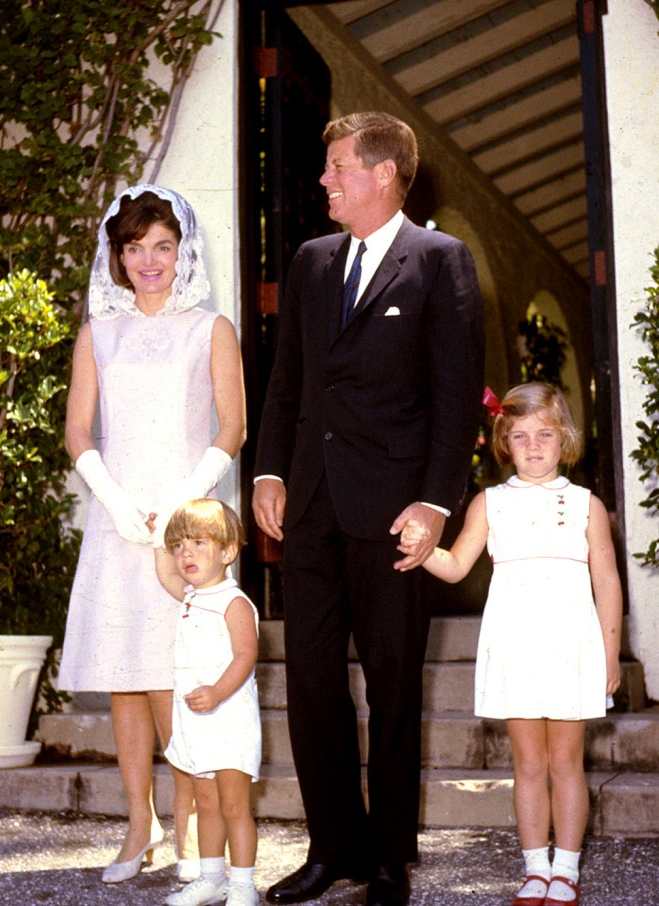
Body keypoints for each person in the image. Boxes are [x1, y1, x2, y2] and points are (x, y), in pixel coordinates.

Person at [252, 111, 485, 906]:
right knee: (312, 683)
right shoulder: (313, 261)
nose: (325, 179)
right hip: (311, 509)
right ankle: (331, 852)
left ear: (384, 174)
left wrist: (434, 505)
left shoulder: (440, 262)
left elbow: (455, 403)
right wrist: (269, 472)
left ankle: (388, 860)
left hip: (393, 517)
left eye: (338, 167)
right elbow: (288, 380)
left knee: (392, 685)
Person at [58, 185, 246, 885]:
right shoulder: (98, 334)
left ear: (183, 250)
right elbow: (79, 431)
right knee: (125, 682)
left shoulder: (211, 328)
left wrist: (181, 501)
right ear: (118, 254)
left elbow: (233, 426)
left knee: (177, 677)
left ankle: (193, 826)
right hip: (117, 523)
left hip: (184, 524)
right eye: (134, 248)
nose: (148, 260)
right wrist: (111, 501)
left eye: (161, 246)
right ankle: (139, 821)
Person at [400, 383, 623, 906]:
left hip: (570, 646)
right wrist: (421, 546)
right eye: (520, 436)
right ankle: (534, 868)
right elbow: (454, 566)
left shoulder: (585, 504)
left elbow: (608, 582)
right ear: (504, 442)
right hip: (516, 647)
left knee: (566, 761)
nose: (534, 446)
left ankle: (566, 868)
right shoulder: (490, 503)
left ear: (563, 437)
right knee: (527, 763)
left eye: (545, 434)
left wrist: (610, 653)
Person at [155, 498, 261, 906]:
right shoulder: (190, 597)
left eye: (199, 542)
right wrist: (157, 526)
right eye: (179, 546)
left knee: (234, 805)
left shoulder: (233, 602)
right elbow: (162, 563)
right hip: (195, 720)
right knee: (206, 801)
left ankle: (242, 885)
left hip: (228, 718)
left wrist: (217, 691)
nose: (186, 554)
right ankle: (212, 877)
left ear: (228, 551)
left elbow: (245, 655)